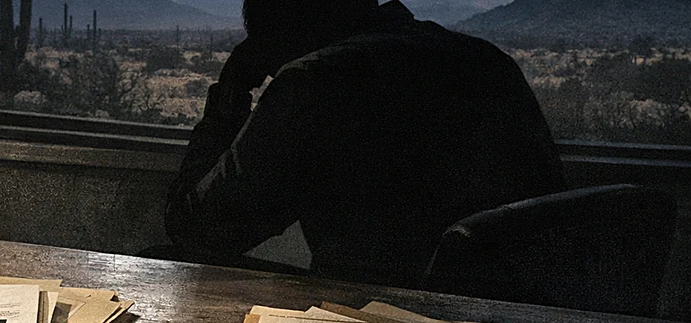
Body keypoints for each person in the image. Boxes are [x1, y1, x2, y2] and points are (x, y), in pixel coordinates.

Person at [164, 0, 565, 287]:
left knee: (165, 265)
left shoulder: (314, 84)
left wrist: (227, 102)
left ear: (275, 34)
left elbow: (197, 229)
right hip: (524, 319)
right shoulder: (485, 59)